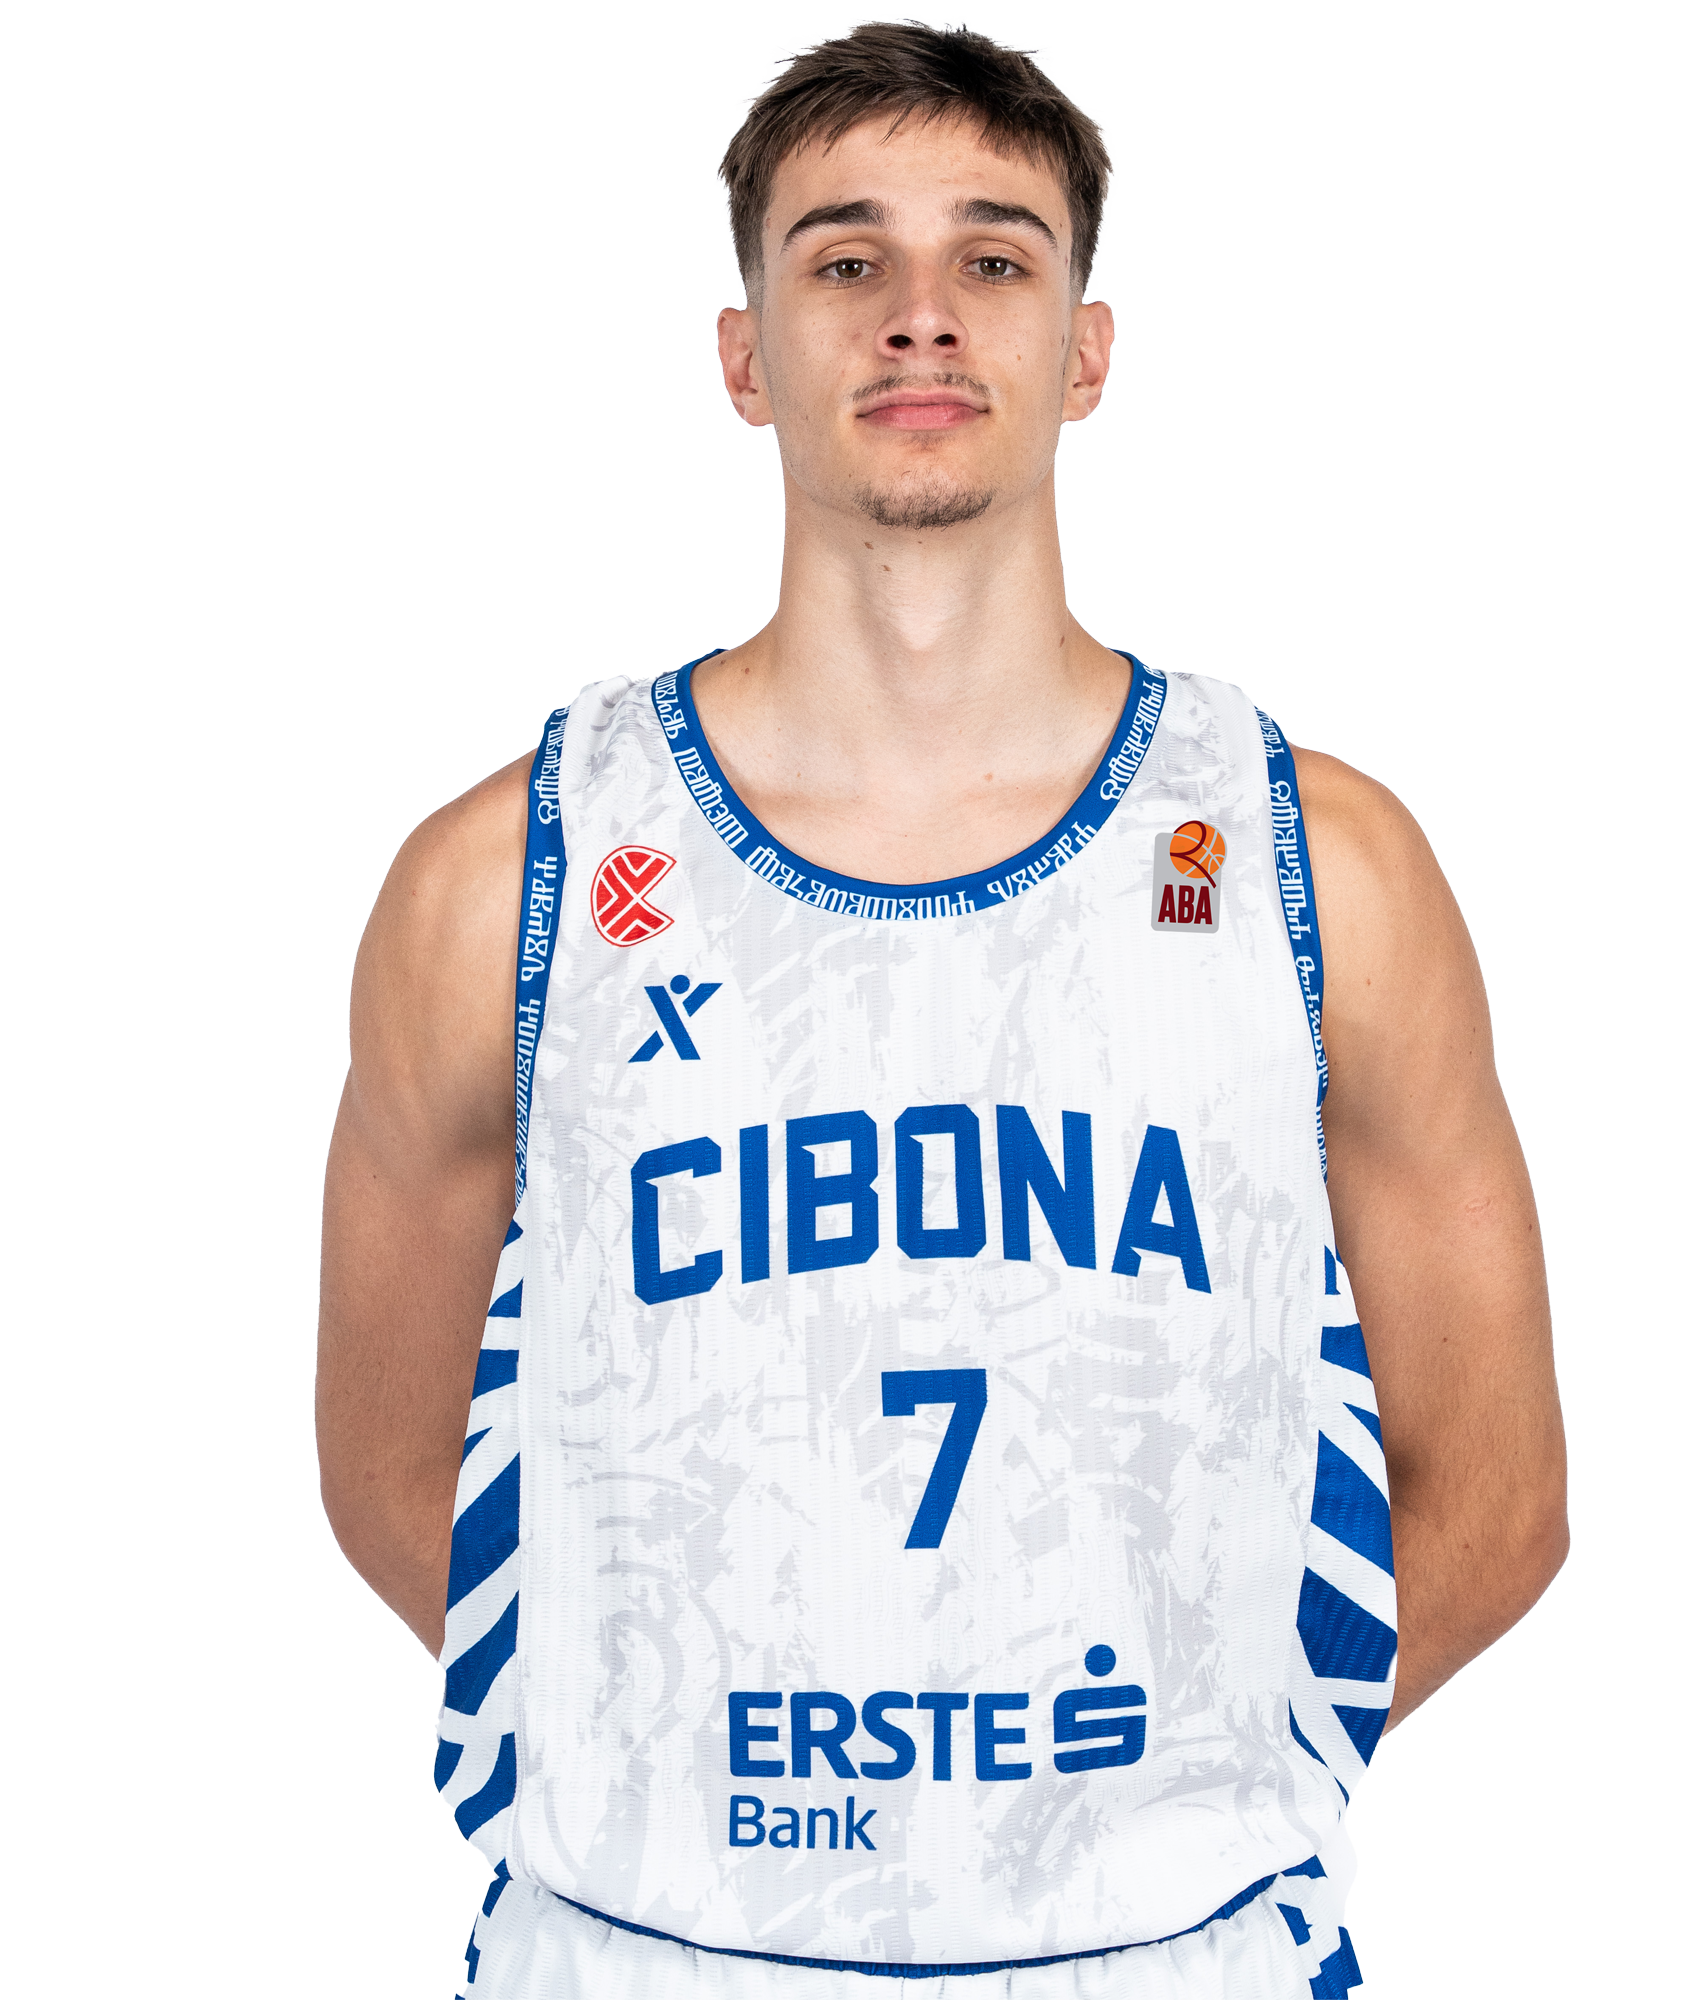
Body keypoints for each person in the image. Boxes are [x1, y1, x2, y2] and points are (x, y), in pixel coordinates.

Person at [318, 21, 1568, 1997]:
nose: (921, 314)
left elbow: (1496, 1494)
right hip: (654, 1950)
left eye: (993, 256)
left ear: (1085, 349)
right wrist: (672, 1783)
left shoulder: (1315, 864)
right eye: (846, 260)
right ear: (745, 354)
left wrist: (1159, 1808)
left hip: (1168, 1955)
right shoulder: (510, 878)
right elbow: (389, 1468)